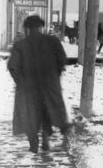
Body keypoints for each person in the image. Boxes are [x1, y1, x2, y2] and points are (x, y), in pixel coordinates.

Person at [7, 15, 72, 153]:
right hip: (49, 84)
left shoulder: (20, 45)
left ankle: (33, 144)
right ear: (41, 27)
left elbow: (12, 66)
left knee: (30, 114)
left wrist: (21, 82)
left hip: (28, 88)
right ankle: (46, 138)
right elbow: (62, 59)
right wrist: (55, 75)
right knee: (47, 110)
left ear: (27, 29)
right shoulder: (53, 41)